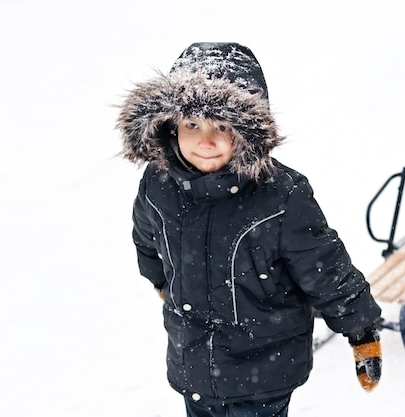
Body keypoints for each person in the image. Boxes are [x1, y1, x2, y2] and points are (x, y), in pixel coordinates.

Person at [116, 42, 382, 417]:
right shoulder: (158, 185)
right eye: (191, 124)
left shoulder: (281, 197)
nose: (205, 140)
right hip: (191, 364)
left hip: (265, 374)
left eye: (222, 125)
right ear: (170, 125)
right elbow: (146, 240)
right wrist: (161, 283)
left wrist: (362, 330)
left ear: (246, 131)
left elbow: (324, 267)